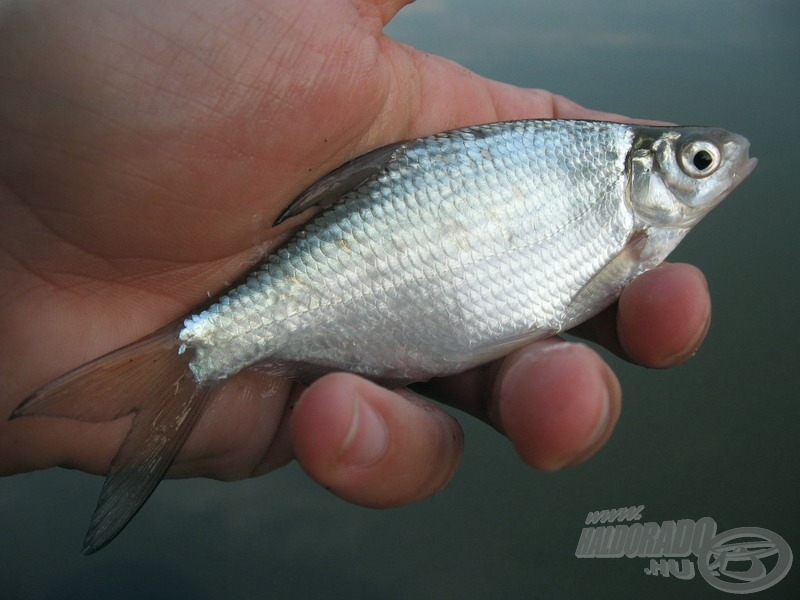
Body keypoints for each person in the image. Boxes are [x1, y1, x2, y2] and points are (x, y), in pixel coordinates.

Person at [0, 0, 710, 509]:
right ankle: (195, 355)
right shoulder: (616, 195)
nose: (717, 166)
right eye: (699, 160)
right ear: (644, 172)